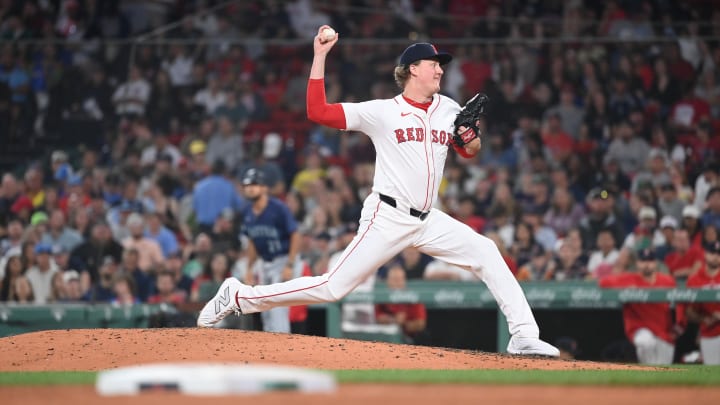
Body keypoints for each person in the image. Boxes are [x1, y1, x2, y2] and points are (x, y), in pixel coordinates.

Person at [197, 27, 559, 357]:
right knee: (332, 288)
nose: (440, 71)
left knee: (486, 250)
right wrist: (320, 56)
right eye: (434, 65)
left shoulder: (449, 108)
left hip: (428, 218)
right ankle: (240, 295)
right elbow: (317, 111)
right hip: (387, 215)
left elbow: (469, 150)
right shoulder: (383, 112)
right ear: (413, 68)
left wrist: (469, 138)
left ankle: (524, 334)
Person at [239, 168, 302, 333]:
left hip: (282, 260)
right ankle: (269, 347)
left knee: (278, 306)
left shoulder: (278, 208)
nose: (250, 188)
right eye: (247, 185)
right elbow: (252, 241)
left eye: (255, 184)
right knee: (264, 306)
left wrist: (290, 264)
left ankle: (283, 345)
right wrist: (249, 268)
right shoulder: (247, 212)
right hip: (264, 262)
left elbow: (295, 234)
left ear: (265, 188)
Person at [599, 249, 678, 365]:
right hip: (639, 328)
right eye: (643, 261)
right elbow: (603, 282)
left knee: (664, 367)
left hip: (663, 330)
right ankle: (646, 372)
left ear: (655, 263)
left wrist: (680, 325)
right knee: (645, 342)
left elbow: (681, 302)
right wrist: (624, 289)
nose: (647, 264)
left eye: (650, 261)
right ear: (637, 263)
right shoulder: (629, 279)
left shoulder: (667, 281)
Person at [685, 241, 720, 365]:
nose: (716, 257)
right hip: (708, 331)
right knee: (712, 374)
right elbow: (689, 311)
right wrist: (704, 319)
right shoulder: (694, 279)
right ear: (705, 254)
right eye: (712, 253)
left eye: (718, 254)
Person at [375, 264, 428, 344]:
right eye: (394, 279)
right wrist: (393, 320)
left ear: (404, 281)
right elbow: (378, 318)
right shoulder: (383, 297)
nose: (397, 283)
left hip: (410, 340)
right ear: (388, 281)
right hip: (384, 339)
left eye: (399, 279)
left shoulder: (412, 297)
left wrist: (404, 323)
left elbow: (420, 324)